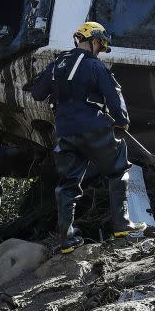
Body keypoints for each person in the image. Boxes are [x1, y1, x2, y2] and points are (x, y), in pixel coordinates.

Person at [29, 21, 147, 254]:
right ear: (94, 41)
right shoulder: (95, 66)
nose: (100, 51)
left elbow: (37, 93)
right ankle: (122, 225)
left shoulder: (57, 63)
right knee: (117, 169)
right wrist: (122, 120)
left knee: (67, 184)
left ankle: (67, 239)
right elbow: (114, 97)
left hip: (65, 133)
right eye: (100, 46)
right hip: (95, 129)